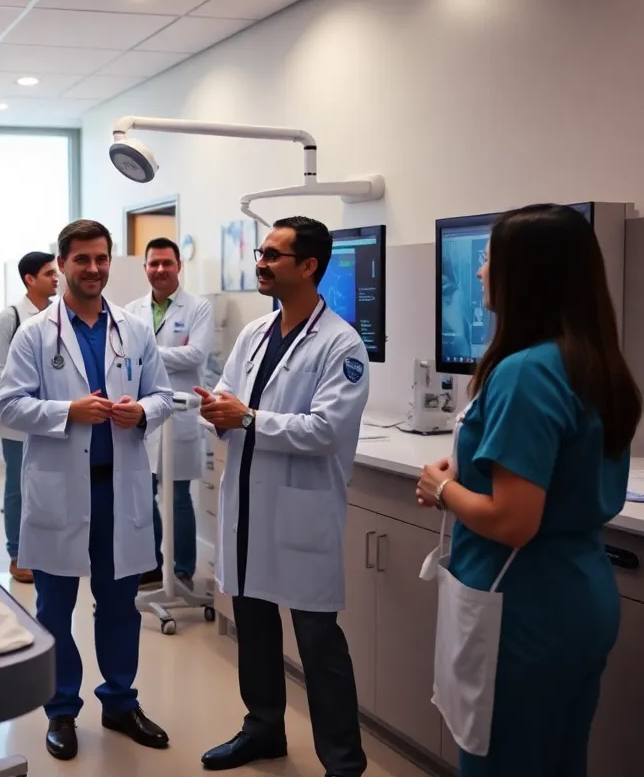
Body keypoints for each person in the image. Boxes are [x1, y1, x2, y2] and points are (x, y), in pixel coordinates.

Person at [414, 203, 640, 777]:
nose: (482, 271)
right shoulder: (592, 361)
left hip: (522, 607)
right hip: (578, 594)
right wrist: (469, 473)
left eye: (490, 257)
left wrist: (443, 488)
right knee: (560, 760)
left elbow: (514, 520)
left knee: (502, 762)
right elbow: (555, 472)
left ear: (526, 274)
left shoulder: (525, 371)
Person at [196, 216, 369, 776]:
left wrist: (245, 419)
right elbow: (228, 393)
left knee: (319, 643)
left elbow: (325, 430)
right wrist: (219, 411)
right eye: (261, 253)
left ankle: (343, 763)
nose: (261, 262)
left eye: (273, 254)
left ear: (309, 266)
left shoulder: (341, 345)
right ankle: (264, 728)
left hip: (301, 513)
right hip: (247, 506)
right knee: (254, 625)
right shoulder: (255, 332)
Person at [0, 219, 175, 762]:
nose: (93, 269)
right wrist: (66, 412)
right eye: (82, 260)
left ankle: (120, 702)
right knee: (54, 607)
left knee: (120, 605)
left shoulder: (133, 329)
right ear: (63, 263)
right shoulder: (34, 332)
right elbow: (9, 404)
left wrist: (141, 410)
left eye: (101, 259)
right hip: (60, 490)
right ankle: (61, 709)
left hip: (118, 490)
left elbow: (164, 394)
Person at [124, 236, 214, 588]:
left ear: (179, 266)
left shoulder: (198, 308)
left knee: (177, 497)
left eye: (167, 263)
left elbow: (197, 355)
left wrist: (145, 352)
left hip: (181, 414)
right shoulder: (131, 310)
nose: (160, 269)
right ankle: (151, 563)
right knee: (144, 493)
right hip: (145, 415)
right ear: (145, 267)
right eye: (154, 263)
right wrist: (154, 353)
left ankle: (183, 569)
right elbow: (122, 358)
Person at [0, 251, 58, 583]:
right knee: (18, 488)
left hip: (55, 417)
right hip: (19, 420)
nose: (56, 278)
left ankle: (46, 549)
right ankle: (18, 554)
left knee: (48, 485)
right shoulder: (10, 317)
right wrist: (25, 402)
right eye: (49, 273)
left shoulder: (59, 313)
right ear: (30, 279)